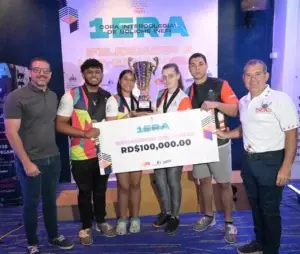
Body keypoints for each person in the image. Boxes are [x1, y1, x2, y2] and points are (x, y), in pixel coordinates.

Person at [217, 59, 299, 254]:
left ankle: (271, 250)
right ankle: (260, 242)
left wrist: (286, 166)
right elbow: (245, 128)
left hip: (272, 161)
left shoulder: (280, 99)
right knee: (255, 206)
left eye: (258, 74)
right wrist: (227, 134)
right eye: (248, 75)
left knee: (270, 210)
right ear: (243, 78)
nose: (253, 79)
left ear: (266, 76)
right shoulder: (244, 102)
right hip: (249, 162)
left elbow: (291, 133)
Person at [4, 57, 74, 254]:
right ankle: (32, 243)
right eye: (37, 70)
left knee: (51, 201)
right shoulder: (16, 97)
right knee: (32, 203)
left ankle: (53, 237)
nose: (41, 74)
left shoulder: (53, 96)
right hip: (31, 161)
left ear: (50, 74)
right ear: (30, 72)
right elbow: (11, 132)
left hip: (53, 157)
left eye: (45, 71)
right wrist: (26, 163)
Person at [56, 59, 116, 245]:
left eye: (97, 71)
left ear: (102, 74)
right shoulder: (71, 96)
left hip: (104, 153)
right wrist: (84, 133)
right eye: (89, 72)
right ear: (83, 74)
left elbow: (113, 126)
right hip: (80, 153)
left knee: (101, 190)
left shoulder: (109, 97)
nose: (93, 75)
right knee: (84, 191)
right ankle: (85, 226)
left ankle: (101, 221)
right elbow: (59, 125)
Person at [185, 53, 238, 243]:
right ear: (189, 69)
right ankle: (208, 215)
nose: (197, 68)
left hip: (219, 142)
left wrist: (215, 104)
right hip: (200, 144)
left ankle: (229, 222)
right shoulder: (188, 90)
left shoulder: (219, 84)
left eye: (200, 64)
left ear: (206, 66)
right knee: (204, 182)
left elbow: (235, 108)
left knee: (224, 183)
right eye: (193, 65)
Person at [105, 69, 151, 235]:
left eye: (132, 80)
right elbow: (109, 126)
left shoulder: (138, 99)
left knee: (136, 184)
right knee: (123, 186)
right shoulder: (113, 100)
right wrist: (129, 115)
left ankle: (135, 218)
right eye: (126, 79)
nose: (129, 83)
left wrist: (147, 101)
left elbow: (148, 118)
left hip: (136, 148)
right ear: (119, 80)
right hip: (120, 149)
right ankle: (123, 219)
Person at [152, 63, 192, 234]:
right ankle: (166, 212)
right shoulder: (161, 95)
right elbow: (155, 117)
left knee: (173, 181)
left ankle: (175, 216)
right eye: (165, 76)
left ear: (178, 76)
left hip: (175, 146)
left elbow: (182, 125)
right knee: (160, 180)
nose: (167, 79)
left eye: (171, 75)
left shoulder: (183, 98)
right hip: (158, 145)